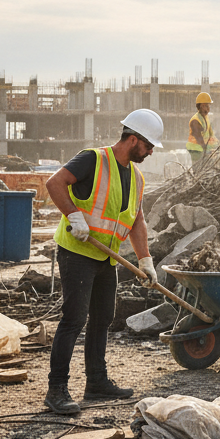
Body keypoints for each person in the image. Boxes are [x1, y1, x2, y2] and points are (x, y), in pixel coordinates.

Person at [43, 109, 164, 415]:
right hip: (77, 251)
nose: (150, 152)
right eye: (149, 146)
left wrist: (145, 259)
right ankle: (56, 389)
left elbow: (136, 221)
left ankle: (96, 381)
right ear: (133, 139)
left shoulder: (136, 176)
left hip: (105, 257)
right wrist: (73, 215)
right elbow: (55, 183)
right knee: (74, 319)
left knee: (103, 318)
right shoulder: (93, 159)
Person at [187, 92, 217, 171]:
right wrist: (206, 151)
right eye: (207, 106)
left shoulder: (206, 118)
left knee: (207, 172)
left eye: (208, 106)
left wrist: (217, 145)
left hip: (204, 150)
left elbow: (211, 134)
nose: (208, 109)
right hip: (197, 151)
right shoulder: (195, 120)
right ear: (201, 106)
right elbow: (199, 138)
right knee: (199, 172)